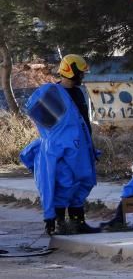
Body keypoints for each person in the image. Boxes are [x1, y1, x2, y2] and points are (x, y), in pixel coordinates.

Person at [19, 54, 100, 235]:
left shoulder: (79, 93)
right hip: (61, 149)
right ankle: (59, 224)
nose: (83, 76)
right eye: (81, 73)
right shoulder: (51, 93)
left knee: (82, 183)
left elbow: (83, 121)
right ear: (71, 72)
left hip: (81, 148)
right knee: (64, 184)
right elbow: (43, 121)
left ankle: (78, 223)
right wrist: (58, 142)